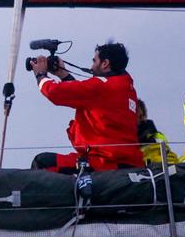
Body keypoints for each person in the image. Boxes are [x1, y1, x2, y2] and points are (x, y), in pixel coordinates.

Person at [30, 42, 144, 173]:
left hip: (105, 162)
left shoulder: (103, 86)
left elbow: (54, 92)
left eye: (94, 60)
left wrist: (40, 75)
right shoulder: (125, 88)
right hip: (125, 163)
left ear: (105, 63)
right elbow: (85, 96)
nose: (92, 65)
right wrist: (63, 74)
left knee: (43, 163)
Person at [136, 99, 179, 166]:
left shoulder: (154, 134)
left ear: (143, 117)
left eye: (139, 115)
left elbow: (169, 157)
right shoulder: (124, 137)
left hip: (157, 169)